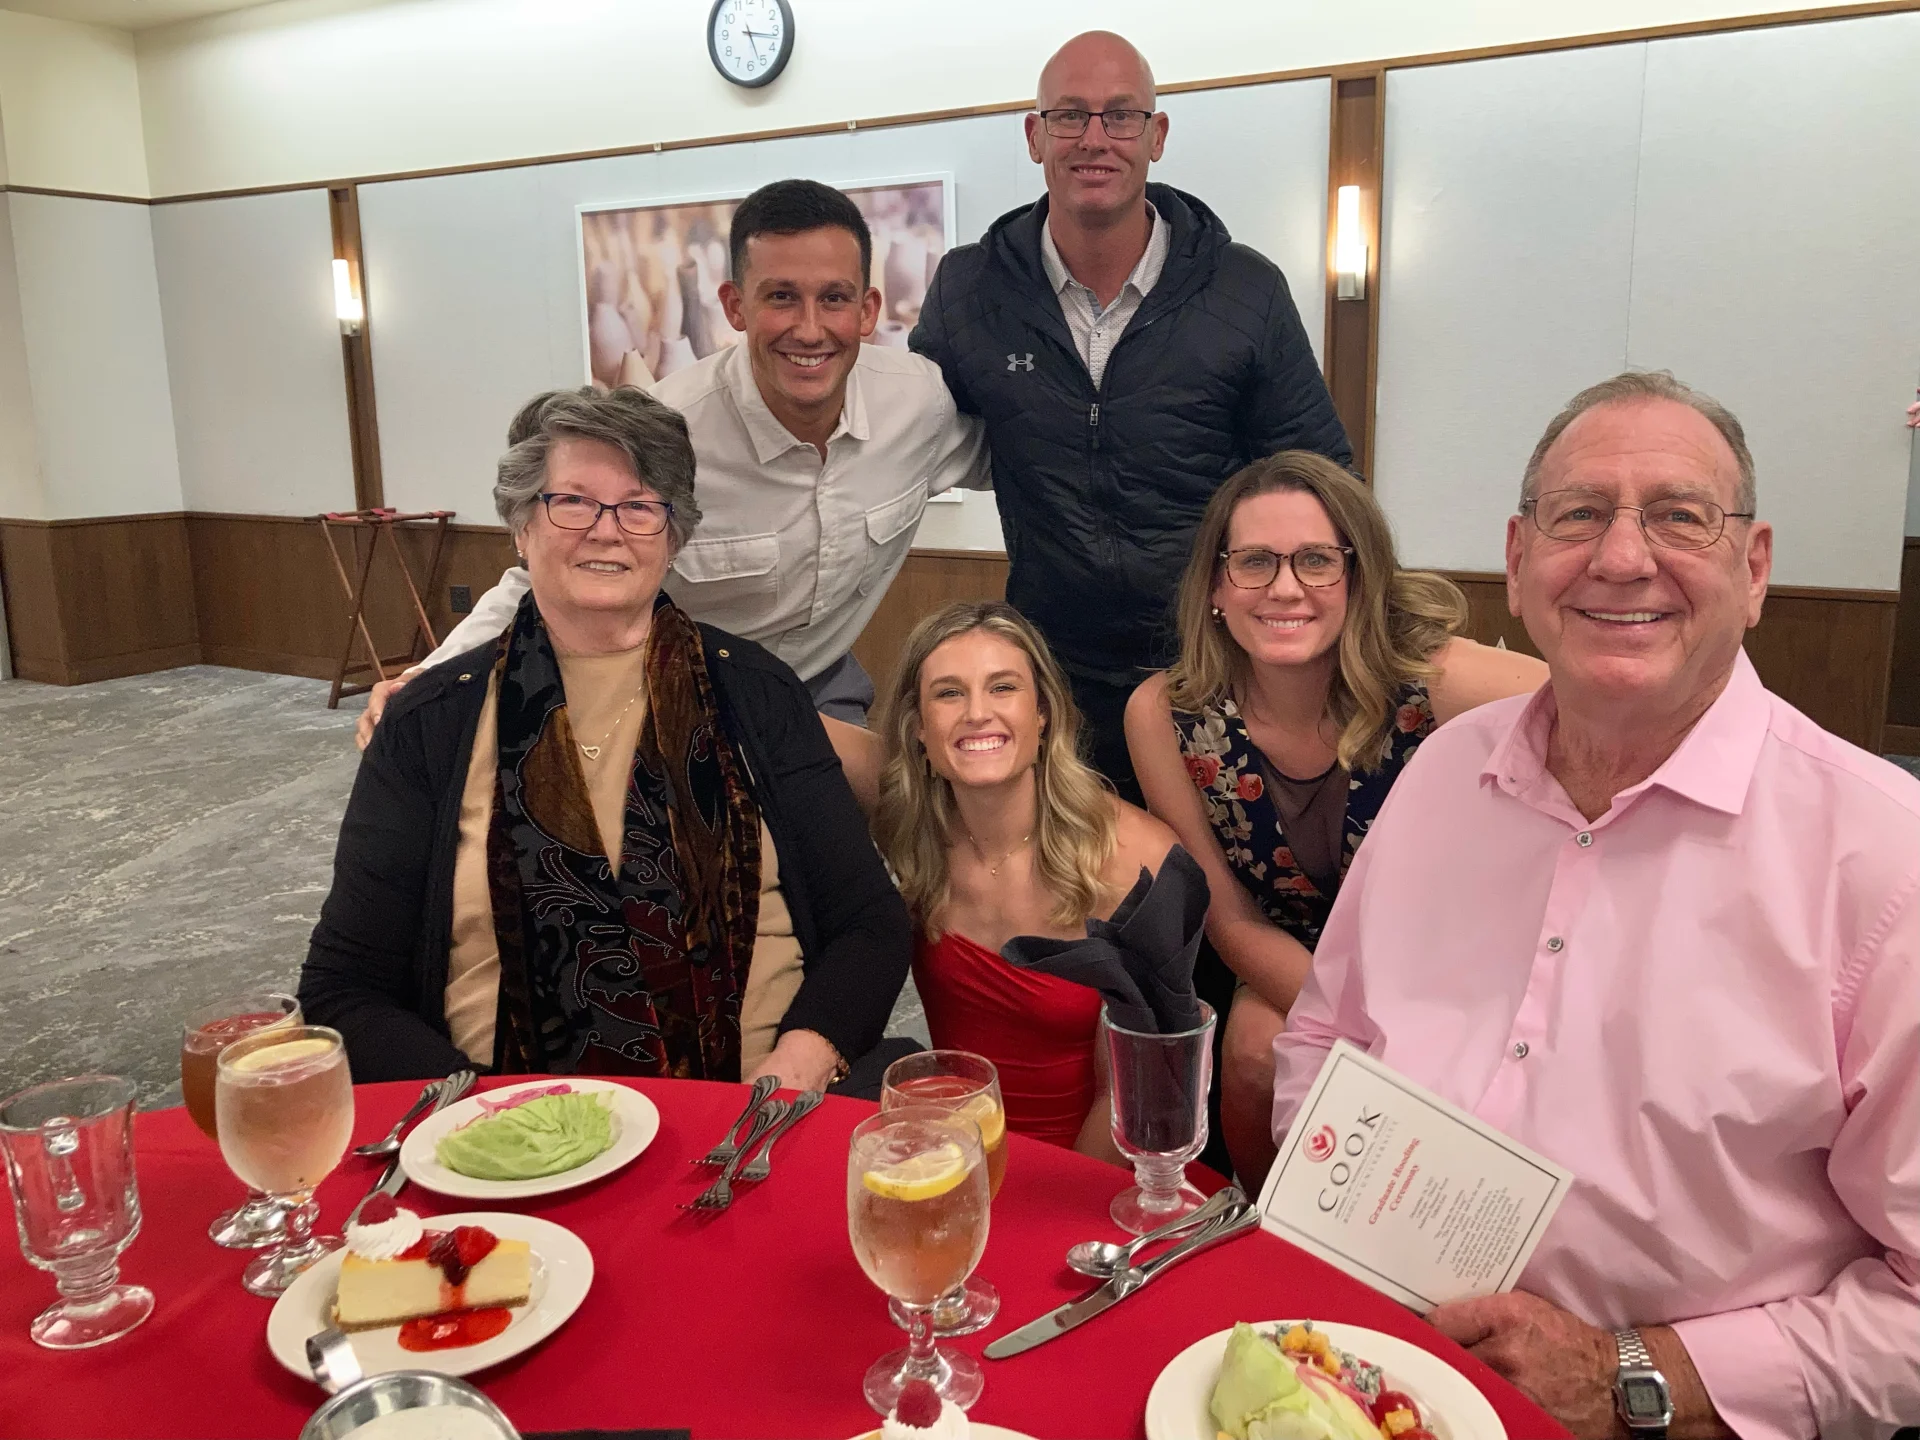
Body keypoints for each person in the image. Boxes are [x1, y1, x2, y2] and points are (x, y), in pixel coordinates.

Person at [1273, 372, 1920, 1439]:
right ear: (1520, 565)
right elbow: (1322, 1040)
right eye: (1580, 515)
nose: (1623, 557)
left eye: (1680, 516)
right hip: (1376, 1371)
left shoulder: (1883, 859)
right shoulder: (1441, 776)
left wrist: (1633, 1373)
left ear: (1753, 570)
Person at [301, 386, 912, 1094]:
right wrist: (479, 1115)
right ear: (521, 526)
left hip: (749, 1115)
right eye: (573, 500)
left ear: (673, 535)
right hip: (499, 1134)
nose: (605, 528)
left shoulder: (757, 692)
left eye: (639, 506)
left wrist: (801, 1061)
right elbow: (344, 989)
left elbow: (868, 921)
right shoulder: (431, 722)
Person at [356, 177, 987, 746]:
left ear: (869, 310)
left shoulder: (918, 405)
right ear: (735, 306)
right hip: (680, 695)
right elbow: (545, 574)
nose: (809, 328)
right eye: (781, 297)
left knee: (841, 854)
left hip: (822, 687)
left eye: (834, 299)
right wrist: (431, 678)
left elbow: (1024, 464)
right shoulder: (665, 431)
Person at [910, 31, 1350, 800]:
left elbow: (1325, 485)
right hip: (1051, 674)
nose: (1094, 139)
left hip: (1217, 668)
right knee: (1070, 898)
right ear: (1035, 134)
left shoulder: (1245, 290)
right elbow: (899, 436)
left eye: (1120, 117)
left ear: (1157, 135)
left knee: (1204, 899)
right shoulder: (968, 291)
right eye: (1071, 116)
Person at [1125, 451, 1545, 1187]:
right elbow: (1229, 922)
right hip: (1293, 951)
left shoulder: (1442, 683)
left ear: (1360, 578)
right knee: (1257, 1053)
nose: (1285, 588)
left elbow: (1615, 711)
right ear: (1217, 586)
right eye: (1254, 562)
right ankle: (1270, 1247)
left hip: (1446, 958)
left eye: (1317, 560)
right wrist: (1365, 1031)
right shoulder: (1166, 714)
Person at [857, 601, 1178, 1161]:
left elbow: (1137, 1091)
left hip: (1096, 1168)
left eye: (1003, 687)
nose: (978, 713)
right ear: (918, 730)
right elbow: (784, 718)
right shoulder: (911, 831)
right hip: (954, 1153)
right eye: (949, 693)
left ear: (1043, 713)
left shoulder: (1135, 857)